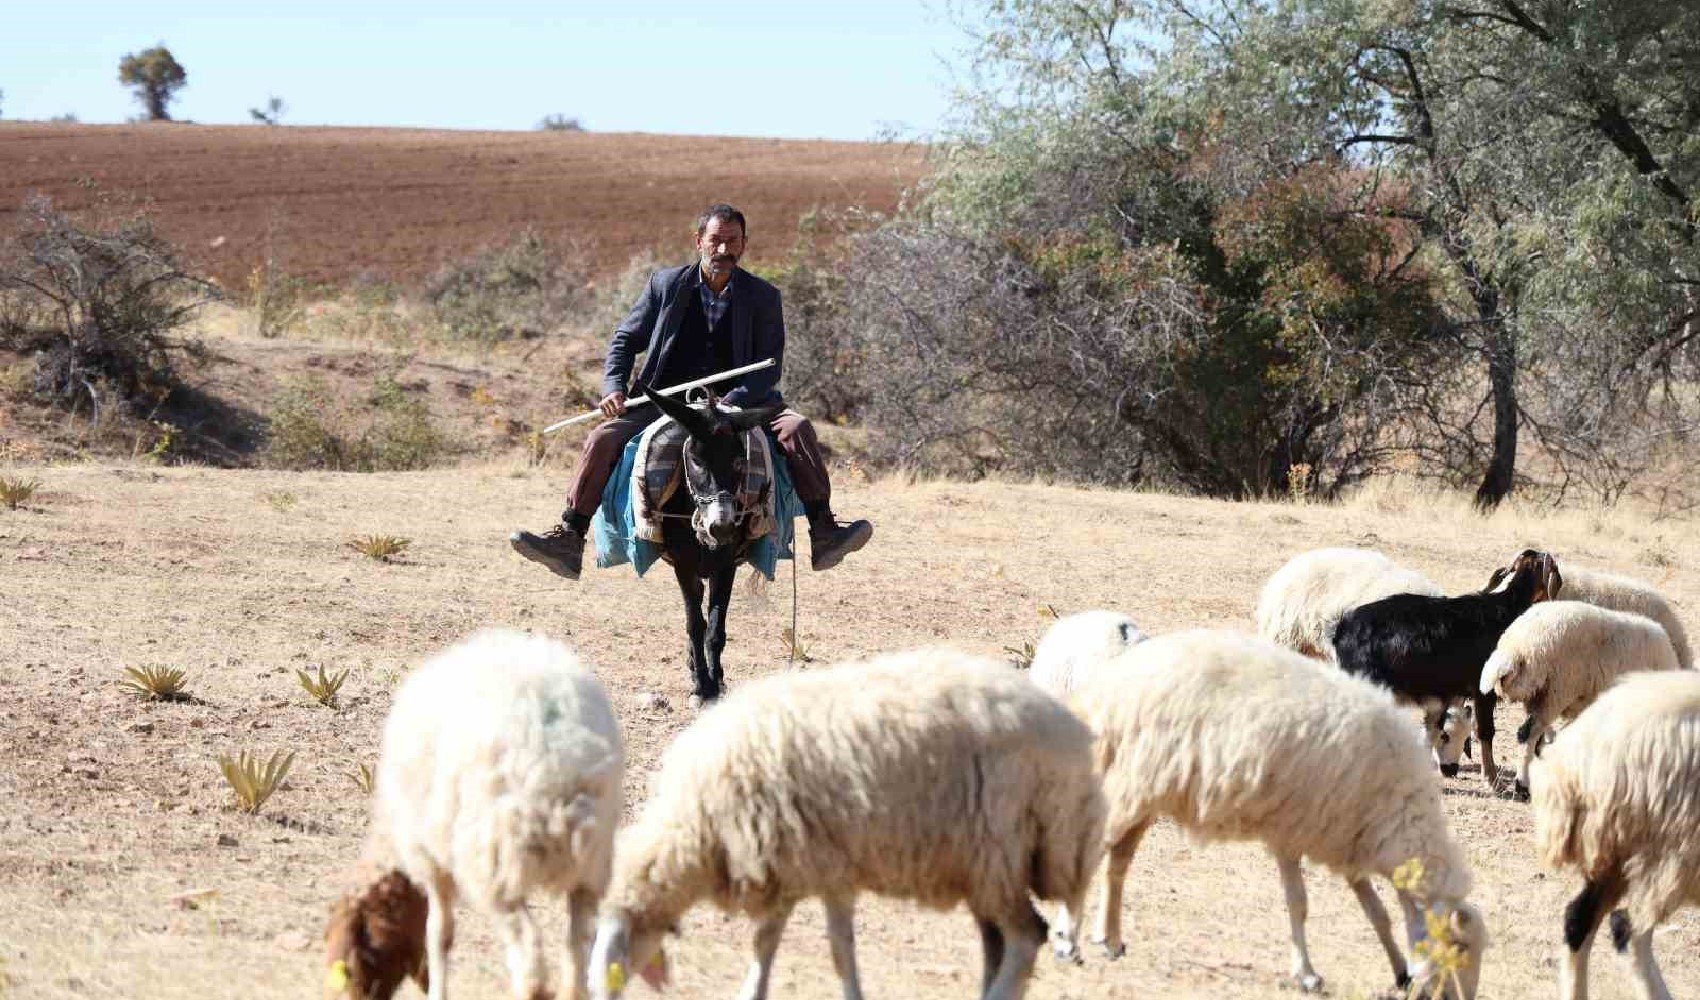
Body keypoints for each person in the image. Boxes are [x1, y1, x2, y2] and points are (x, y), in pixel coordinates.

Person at [510, 203, 873, 580]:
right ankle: (570, 538)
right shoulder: (664, 286)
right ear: (699, 241)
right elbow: (623, 340)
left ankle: (824, 531)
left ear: (743, 245)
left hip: (742, 401)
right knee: (603, 438)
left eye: (732, 242)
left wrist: (730, 406)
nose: (722, 250)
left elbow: (769, 367)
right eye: (715, 240)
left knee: (796, 429)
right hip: (667, 401)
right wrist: (614, 386)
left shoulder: (764, 297)